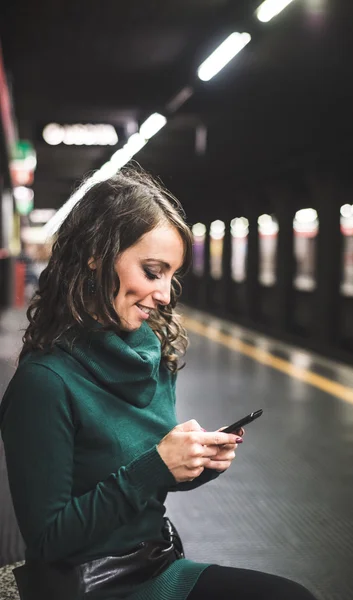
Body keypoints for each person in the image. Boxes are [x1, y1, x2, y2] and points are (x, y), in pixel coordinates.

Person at [0, 169, 318, 600]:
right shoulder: (45, 384)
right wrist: (155, 467)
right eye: (153, 272)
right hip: (90, 587)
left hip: (158, 563)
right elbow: (48, 540)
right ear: (96, 254)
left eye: (172, 275)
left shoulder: (153, 356)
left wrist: (192, 466)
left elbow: (144, 482)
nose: (166, 294)